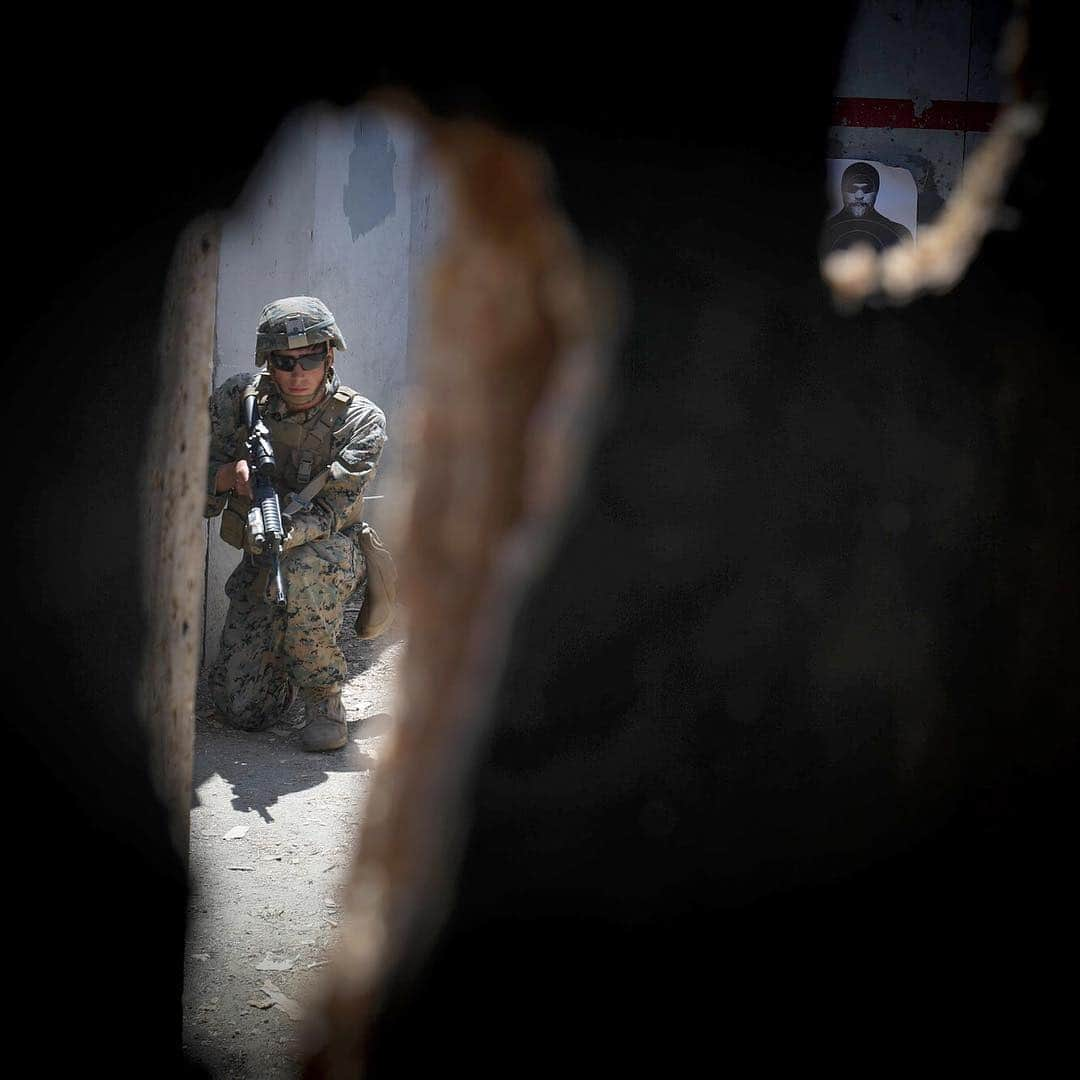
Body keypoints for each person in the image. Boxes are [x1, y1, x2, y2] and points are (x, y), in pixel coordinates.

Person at [204, 296, 387, 751]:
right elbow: (186, 482)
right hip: (264, 553)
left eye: (310, 358)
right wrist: (229, 476)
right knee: (244, 711)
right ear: (268, 361)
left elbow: (334, 510)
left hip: (333, 548)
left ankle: (324, 699)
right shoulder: (238, 400)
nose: (298, 373)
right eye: (285, 362)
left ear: (329, 354)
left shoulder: (361, 421)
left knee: (306, 570)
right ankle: (289, 651)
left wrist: (283, 530)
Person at [820, 160, 914, 256]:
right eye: (852, 189)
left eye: (866, 189)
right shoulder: (822, 233)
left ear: (876, 192)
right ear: (842, 191)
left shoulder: (897, 233)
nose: (859, 195)